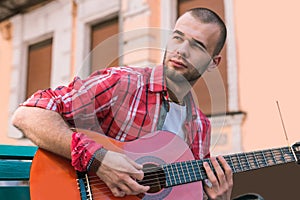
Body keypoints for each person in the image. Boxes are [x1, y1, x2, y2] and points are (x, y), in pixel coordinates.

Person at [12, 8, 233, 199]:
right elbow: (28, 114)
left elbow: (186, 193)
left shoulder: (201, 126)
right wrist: (99, 160)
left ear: (213, 63)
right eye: (177, 37)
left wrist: (217, 199)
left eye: (197, 46)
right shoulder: (124, 83)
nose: (181, 50)